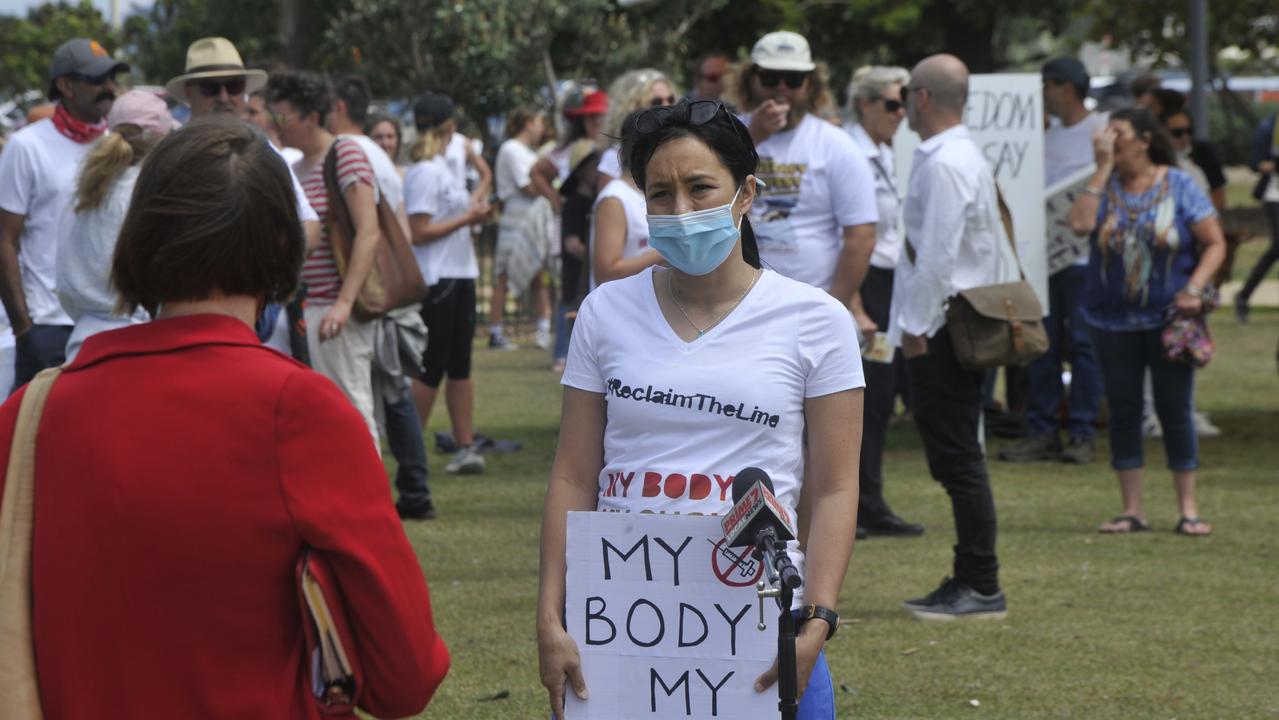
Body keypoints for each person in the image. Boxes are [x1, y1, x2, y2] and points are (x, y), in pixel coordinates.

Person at [0, 115, 449, 718]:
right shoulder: (303, 414)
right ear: (286, 246)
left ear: (134, 239)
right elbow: (405, 678)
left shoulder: (29, 415)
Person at [538, 99, 861, 720]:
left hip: (763, 631)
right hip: (618, 629)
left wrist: (816, 620)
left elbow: (835, 487)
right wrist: (551, 616)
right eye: (659, 193)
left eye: (699, 187)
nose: (680, 211)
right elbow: (573, 476)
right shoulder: (606, 312)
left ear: (745, 194)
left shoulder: (816, 321)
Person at [890, 54, 1011, 620]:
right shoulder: (960, 154)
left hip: (942, 328)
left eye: (903, 95)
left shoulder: (942, 162)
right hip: (954, 322)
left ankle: (980, 583)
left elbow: (937, 254)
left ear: (920, 98)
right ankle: (973, 577)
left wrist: (914, 328)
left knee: (959, 459)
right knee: (959, 457)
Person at [1067, 108, 1225, 536]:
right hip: (1110, 320)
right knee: (1123, 411)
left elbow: (1214, 243)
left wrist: (1194, 288)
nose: (1108, 140)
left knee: (1176, 410)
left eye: (1117, 133)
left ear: (1144, 140)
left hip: (1168, 319)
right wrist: (1101, 169)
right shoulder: (1103, 187)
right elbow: (1079, 224)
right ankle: (1131, 509)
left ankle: (1188, 509)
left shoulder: (1179, 185)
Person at [328, 74, 436, 520]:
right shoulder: (374, 155)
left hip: (373, 291)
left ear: (337, 107)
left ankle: (412, 489)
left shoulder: (351, 153)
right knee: (387, 391)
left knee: (387, 393)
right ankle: (412, 488)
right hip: (385, 289)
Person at [0, 38, 128, 393]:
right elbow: (4, 240)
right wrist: (25, 328)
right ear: (65, 86)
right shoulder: (27, 146)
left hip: (112, 324)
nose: (109, 88)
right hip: (49, 327)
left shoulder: (119, 145)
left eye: (112, 78)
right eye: (97, 79)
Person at [1000, 57, 1107, 465]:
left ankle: (1080, 431)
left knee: (1082, 344)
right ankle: (1043, 428)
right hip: (1042, 259)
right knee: (1041, 345)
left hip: (1081, 258)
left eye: (1046, 86)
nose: (1041, 95)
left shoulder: (1101, 131)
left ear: (1065, 88)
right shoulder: (1043, 135)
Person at [267, 71, 383, 446]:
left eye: (283, 117)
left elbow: (369, 230)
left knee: (352, 413)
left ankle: (371, 501)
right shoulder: (295, 167)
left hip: (335, 315)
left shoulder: (344, 153)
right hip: (304, 312)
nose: (276, 126)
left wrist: (344, 304)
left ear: (312, 117)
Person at [730, 30, 877, 305]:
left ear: (811, 84)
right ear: (751, 81)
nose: (781, 88)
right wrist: (753, 136)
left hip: (811, 300)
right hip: (737, 301)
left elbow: (861, 236)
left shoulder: (836, 145)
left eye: (794, 79)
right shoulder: (727, 134)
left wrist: (835, 306)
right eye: (770, 78)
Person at [843, 65, 924, 539]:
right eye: (894, 103)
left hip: (890, 282)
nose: (902, 112)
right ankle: (850, 504)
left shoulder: (887, 152)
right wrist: (853, 301)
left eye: (906, 102)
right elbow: (847, 233)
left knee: (879, 399)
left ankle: (869, 501)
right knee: (856, 398)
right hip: (864, 283)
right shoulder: (851, 152)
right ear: (867, 104)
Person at [404, 92, 491, 475]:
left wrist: (471, 212)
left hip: (459, 273)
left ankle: (466, 445)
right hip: (439, 278)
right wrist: (467, 221)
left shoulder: (438, 168)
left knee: (460, 367)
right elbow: (418, 231)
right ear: (450, 128)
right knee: (431, 368)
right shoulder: (426, 170)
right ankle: (411, 451)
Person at [56, 90, 173, 362]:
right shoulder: (147, 196)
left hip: (82, 344)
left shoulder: (84, 192)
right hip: (137, 345)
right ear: (161, 141)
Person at [490, 106, 552, 350]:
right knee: (504, 274)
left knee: (538, 271)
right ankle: (495, 333)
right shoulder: (511, 149)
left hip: (533, 216)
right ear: (528, 122)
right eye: (539, 121)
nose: (542, 127)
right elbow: (528, 185)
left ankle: (543, 330)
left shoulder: (527, 151)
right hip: (516, 215)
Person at [589, 110, 661, 290]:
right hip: (620, 311)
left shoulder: (652, 193)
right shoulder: (615, 198)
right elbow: (605, 273)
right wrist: (665, 254)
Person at [552, 140, 601, 373]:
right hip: (576, 269)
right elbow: (571, 244)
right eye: (594, 166)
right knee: (569, 305)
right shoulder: (574, 203)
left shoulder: (597, 200)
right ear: (582, 171)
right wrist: (596, 257)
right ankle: (561, 354)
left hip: (588, 269)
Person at [595, 69, 679, 186]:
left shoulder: (680, 145)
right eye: (657, 102)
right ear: (634, 106)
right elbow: (609, 200)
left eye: (670, 99)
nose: (667, 106)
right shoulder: (615, 156)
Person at [1237, 111, 1279, 322]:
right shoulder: (1269, 126)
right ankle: (1244, 296)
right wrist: (1273, 165)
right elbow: (1255, 163)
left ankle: (1243, 296)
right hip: (1275, 193)